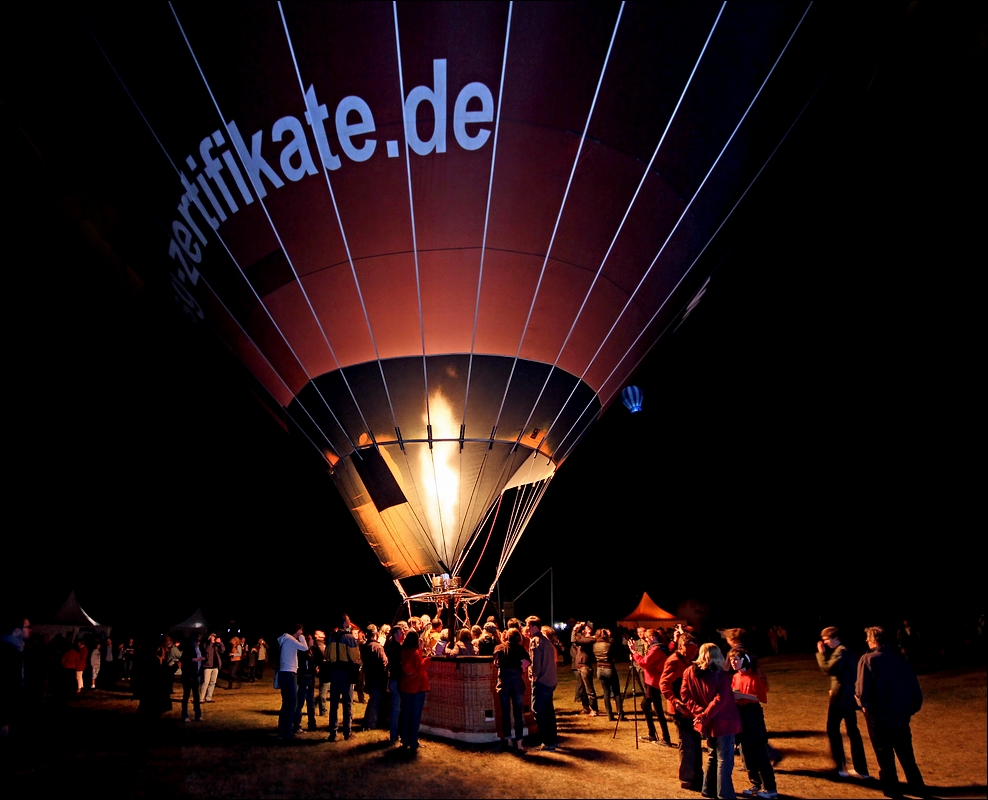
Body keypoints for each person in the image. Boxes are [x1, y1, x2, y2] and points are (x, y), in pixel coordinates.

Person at [855, 626, 928, 800]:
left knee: (884, 754)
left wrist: (863, 703)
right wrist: (910, 708)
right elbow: (915, 690)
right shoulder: (900, 659)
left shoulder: (868, 660)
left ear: (873, 640)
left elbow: (863, 689)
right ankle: (917, 786)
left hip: (878, 716)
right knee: (906, 754)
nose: (866, 641)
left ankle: (892, 789)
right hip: (900, 715)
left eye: (867, 638)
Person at [681, 643, 742, 800]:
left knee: (712, 755)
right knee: (724, 759)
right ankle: (725, 794)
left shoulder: (689, 672)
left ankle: (708, 789)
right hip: (723, 721)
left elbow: (685, 695)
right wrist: (704, 714)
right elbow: (720, 699)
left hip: (707, 722)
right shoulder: (719, 675)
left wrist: (700, 713)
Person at [816, 626, 869, 779]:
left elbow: (828, 669)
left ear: (836, 638)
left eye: (827, 639)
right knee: (853, 731)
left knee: (833, 729)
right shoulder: (848, 652)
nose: (825, 643)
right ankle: (861, 769)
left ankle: (840, 767)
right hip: (848, 696)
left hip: (841, 698)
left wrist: (821, 654)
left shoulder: (841, 652)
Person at [729, 647, 777, 799]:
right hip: (740, 715)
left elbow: (761, 698)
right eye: (731, 659)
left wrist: (742, 695)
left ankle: (770, 788)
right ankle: (755, 783)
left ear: (744, 660)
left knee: (760, 753)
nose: (733, 662)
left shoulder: (754, 677)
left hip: (753, 715)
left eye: (736, 659)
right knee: (746, 753)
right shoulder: (735, 676)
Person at [661, 635, 702, 791]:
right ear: (681, 647)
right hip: (679, 709)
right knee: (687, 744)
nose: (693, 654)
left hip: (690, 709)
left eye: (695, 651)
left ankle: (697, 775)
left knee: (695, 743)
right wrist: (674, 700)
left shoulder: (687, 660)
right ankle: (687, 778)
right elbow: (664, 683)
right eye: (690, 650)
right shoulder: (674, 661)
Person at [631, 629, 674, 746]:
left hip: (654, 681)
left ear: (651, 637)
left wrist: (634, 653)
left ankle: (666, 738)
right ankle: (652, 733)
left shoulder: (656, 650)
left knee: (658, 709)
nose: (644, 640)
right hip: (654, 680)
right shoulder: (662, 647)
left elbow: (645, 662)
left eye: (646, 637)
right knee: (645, 705)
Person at [325, 614, 361, 741]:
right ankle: (347, 732)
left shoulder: (331, 637)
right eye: (349, 621)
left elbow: (327, 655)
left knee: (334, 704)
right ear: (345, 623)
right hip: (346, 673)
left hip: (334, 673)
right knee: (347, 703)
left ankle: (333, 732)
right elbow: (355, 656)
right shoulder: (349, 637)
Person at [494, 628, 530, 751]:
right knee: (518, 713)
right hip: (517, 682)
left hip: (503, 681)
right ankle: (519, 743)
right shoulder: (522, 650)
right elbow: (525, 664)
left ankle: (508, 740)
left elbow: (496, 663)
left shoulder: (499, 648)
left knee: (505, 713)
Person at [527, 617, 558, 751]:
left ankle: (547, 740)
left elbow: (535, 662)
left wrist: (534, 676)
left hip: (541, 681)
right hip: (550, 680)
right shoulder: (546, 641)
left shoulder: (535, 641)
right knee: (549, 711)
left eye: (528, 626)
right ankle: (553, 740)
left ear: (534, 627)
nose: (527, 629)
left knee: (538, 710)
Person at [398, 629, 430, 753]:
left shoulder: (404, 651)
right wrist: (427, 659)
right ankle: (413, 741)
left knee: (406, 713)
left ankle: (404, 739)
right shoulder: (415, 653)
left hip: (406, 686)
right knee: (415, 715)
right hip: (417, 687)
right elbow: (420, 667)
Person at [1, 616, 30, 745]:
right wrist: (5, 718)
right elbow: (5, 686)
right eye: (28, 627)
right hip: (6, 711)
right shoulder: (7, 652)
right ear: (17, 631)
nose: (30, 630)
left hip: (13, 708)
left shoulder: (18, 650)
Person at [276, 623, 308, 741]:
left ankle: (281, 729)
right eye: (301, 631)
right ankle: (288, 731)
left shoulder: (285, 639)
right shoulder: (290, 639)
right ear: (297, 630)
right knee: (292, 702)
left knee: (286, 702)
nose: (301, 633)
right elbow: (305, 648)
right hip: (290, 673)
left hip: (284, 673)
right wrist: (302, 638)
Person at [360, 625, 388, 731]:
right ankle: (371, 724)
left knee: (372, 700)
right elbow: (384, 661)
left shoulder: (365, 646)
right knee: (375, 701)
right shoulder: (377, 647)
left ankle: (367, 721)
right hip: (377, 676)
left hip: (369, 675)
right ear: (376, 633)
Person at [593, 628, 624, 723]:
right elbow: (615, 645)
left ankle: (609, 715)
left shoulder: (594, 645)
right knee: (616, 692)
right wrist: (610, 635)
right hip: (608, 667)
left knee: (606, 693)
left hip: (599, 669)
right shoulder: (608, 645)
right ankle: (620, 714)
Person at [384, 623, 407, 745]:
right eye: (401, 632)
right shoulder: (396, 647)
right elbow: (398, 664)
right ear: (396, 634)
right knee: (396, 709)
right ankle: (394, 735)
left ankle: (395, 734)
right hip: (397, 679)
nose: (403, 634)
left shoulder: (391, 645)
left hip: (394, 679)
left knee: (396, 708)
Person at [570, 621, 599, 716]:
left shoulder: (590, 639)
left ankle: (594, 709)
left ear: (590, 630)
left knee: (589, 690)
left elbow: (574, 640)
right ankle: (586, 707)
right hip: (580, 666)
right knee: (582, 690)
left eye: (586, 628)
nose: (584, 629)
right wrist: (578, 628)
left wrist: (575, 629)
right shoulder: (584, 638)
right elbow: (576, 639)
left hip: (585, 666)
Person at [179, 634, 204, 722]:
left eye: (199, 641)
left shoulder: (200, 649)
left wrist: (203, 660)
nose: (198, 643)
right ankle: (184, 715)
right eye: (197, 641)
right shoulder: (188, 649)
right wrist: (193, 660)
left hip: (196, 675)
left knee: (196, 695)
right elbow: (184, 660)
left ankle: (198, 714)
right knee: (186, 695)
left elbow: (203, 659)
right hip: (188, 675)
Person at [199, 633, 224, 703]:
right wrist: (211, 643)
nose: (214, 638)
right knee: (206, 682)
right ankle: (201, 698)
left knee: (213, 683)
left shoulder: (216, 645)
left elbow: (222, 650)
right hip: (208, 666)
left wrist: (220, 643)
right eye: (212, 637)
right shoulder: (205, 644)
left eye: (215, 637)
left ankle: (208, 698)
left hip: (215, 666)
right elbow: (207, 651)